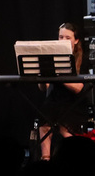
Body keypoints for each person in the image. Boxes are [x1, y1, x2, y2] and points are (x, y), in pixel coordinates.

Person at [38, 22, 91, 159]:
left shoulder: (82, 59)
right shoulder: (52, 57)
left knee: (65, 125)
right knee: (44, 121)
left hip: (74, 102)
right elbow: (44, 88)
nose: (63, 40)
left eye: (67, 38)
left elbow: (78, 89)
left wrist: (59, 76)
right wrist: (43, 77)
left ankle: (73, 158)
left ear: (76, 40)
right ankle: (45, 158)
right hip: (55, 99)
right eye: (61, 37)